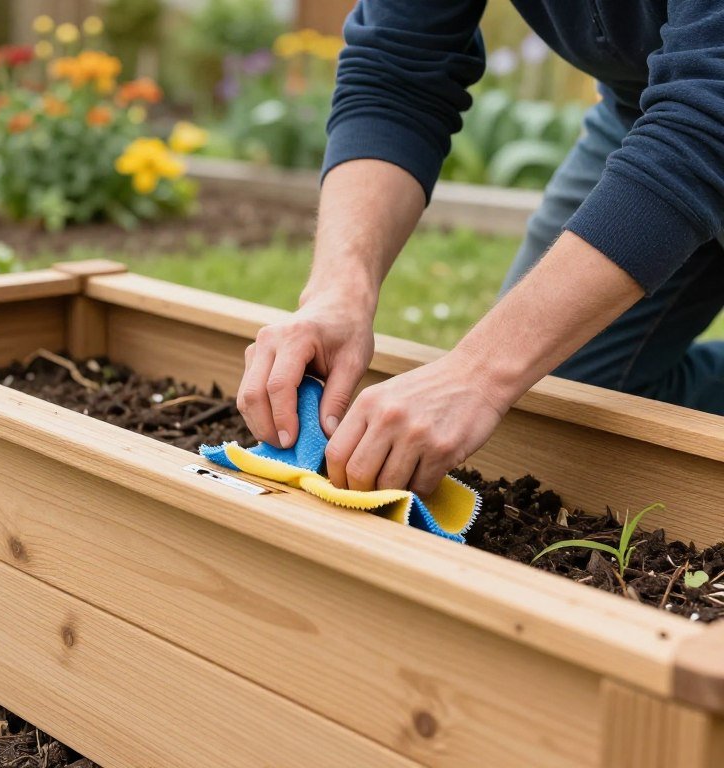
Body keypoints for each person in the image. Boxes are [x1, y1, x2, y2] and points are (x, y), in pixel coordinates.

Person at [237, 0, 724, 497]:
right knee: (557, 384)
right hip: (648, 112)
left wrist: (479, 372)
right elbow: (398, 70)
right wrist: (339, 291)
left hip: (703, 112)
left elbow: (710, 115)